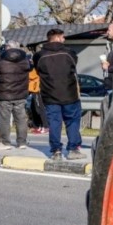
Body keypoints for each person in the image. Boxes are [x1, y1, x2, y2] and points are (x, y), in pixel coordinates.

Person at [33, 29, 86, 161]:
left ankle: (56, 150)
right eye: (62, 38)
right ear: (57, 38)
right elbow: (74, 66)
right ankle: (73, 149)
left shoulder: (39, 56)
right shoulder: (69, 53)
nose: (64, 40)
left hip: (49, 94)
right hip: (70, 93)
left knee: (54, 123)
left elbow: (38, 71)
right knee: (72, 121)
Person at [0, 40, 30, 150]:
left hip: (4, 94)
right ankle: (22, 142)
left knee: (4, 119)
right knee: (21, 119)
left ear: (8, 47)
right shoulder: (25, 60)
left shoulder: (0, 61)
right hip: (20, 94)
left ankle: (5, 142)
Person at [28, 67, 49, 134]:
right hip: (33, 89)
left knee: (39, 108)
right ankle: (37, 126)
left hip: (37, 89)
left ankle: (45, 126)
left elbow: (32, 76)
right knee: (33, 108)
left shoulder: (36, 67)